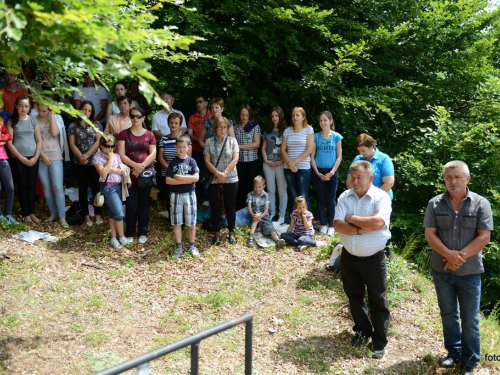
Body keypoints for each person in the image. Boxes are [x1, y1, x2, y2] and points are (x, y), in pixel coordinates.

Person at [423, 161, 493, 375]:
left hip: (469, 272)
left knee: (470, 318)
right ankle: (453, 353)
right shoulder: (435, 203)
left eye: (457, 177)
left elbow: (484, 237)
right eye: (448, 178)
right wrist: (448, 255)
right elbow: (429, 234)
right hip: (441, 271)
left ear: (467, 179)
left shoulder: (481, 204)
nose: (452, 181)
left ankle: (470, 361)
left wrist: (458, 258)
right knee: (448, 314)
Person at [334, 160, 392, 359]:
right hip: (349, 257)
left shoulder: (381, 197)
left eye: (360, 177)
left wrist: (352, 218)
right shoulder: (344, 197)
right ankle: (362, 331)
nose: (355, 181)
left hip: (374, 259)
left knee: (378, 299)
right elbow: (337, 225)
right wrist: (362, 228)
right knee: (354, 297)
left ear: (370, 178)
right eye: (353, 177)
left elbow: (378, 223)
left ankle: (379, 341)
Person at [117, 107, 156, 244]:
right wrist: (135, 166)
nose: (135, 119)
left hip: (145, 174)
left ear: (143, 118)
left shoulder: (150, 135)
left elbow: (153, 154)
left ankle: (143, 232)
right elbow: (121, 154)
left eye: (138, 116)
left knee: (144, 204)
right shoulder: (123, 134)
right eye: (133, 116)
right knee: (131, 204)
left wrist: (141, 167)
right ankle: (130, 232)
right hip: (129, 174)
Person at [6, 95, 42, 223]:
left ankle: (32, 213)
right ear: (16, 106)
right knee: (23, 185)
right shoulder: (12, 121)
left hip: (33, 157)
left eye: (26, 106)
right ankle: (26, 214)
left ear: (29, 107)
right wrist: (20, 157)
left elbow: (39, 140)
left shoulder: (33, 120)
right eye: (21, 106)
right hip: (18, 158)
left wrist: (36, 157)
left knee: (31, 186)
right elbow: (9, 142)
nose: (23, 108)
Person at [203, 116, 239, 245]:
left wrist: (224, 173)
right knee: (216, 207)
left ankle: (231, 232)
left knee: (230, 206)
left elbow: (235, 159)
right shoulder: (209, 142)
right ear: (215, 129)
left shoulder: (232, 141)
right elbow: (207, 160)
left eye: (225, 127)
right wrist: (217, 173)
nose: (222, 130)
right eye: (220, 127)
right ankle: (216, 232)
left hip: (231, 178)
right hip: (214, 179)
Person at [67, 100, 104, 226]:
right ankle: (86, 216)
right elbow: (71, 143)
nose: (86, 112)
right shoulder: (73, 125)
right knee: (82, 189)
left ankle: (98, 214)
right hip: (79, 162)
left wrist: (87, 155)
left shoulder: (97, 124)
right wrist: (81, 157)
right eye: (84, 109)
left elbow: (98, 141)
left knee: (96, 188)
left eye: (89, 110)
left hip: (94, 162)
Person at [93, 136, 133, 249]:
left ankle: (113, 238)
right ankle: (122, 237)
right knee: (119, 213)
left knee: (112, 214)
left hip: (119, 187)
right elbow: (103, 173)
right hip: (108, 188)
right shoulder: (97, 158)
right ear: (101, 145)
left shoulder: (117, 156)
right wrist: (110, 160)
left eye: (112, 146)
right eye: (107, 146)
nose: (110, 149)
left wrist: (111, 169)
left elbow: (123, 171)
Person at [166, 135, 200, 259]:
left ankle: (192, 246)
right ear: (175, 147)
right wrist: (187, 180)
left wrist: (180, 178)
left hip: (189, 194)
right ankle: (179, 246)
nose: (181, 149)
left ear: (188, 147)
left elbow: (196, 178)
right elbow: (168, 181)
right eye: (179, 147)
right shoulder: (173, 162)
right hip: (176, 195)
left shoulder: (191, 161)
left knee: (191, 222)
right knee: (177, 222)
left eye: (184, 147)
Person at [37, 105, 70, 228]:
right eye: (39, 110)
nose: (41, 112)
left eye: (44, 111)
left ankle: (62, 217)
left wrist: (51, 117)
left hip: (56, 155)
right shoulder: (34, 120)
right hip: (40, 156)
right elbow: (34, 141)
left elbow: (55, 132)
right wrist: (42, 156)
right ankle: (53, 213)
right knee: (46, 187)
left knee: (57, 187)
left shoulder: (57, 118)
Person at [311, 111, 342, 236]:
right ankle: (323, 224)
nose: (323, 123)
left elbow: (339, 157)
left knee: (331, 199)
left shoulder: (336, 137)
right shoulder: (316, 136)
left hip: (331, 172)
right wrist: (317, 172)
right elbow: (312, 156)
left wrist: (332, 172)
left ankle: (332, 225)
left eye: (325, 120)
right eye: (321, 120)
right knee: (320, 199)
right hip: (318, 172)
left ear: (330, 121)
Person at [158, 113, 192, 215]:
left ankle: (182, 221)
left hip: (183, 174)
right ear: (168, 124)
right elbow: (160, 157)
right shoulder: (164, 139)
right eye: (171, 123)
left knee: (182, 197)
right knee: (169, 198)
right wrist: (171, 170)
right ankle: (172, 221)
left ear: (180, 124)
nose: (173, 125)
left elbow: (189, 157)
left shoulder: (186, 139)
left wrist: (178, 172)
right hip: (167, 174)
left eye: (176, 123)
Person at [281, 107, 314, 210]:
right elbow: (282, 150)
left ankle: (307, 221)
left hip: (303, 168)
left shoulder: (308, 130)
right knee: (293, 196)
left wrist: (293, 163)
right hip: (288, 168)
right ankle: (294, 220)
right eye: (293, 115)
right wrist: (290, 164)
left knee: (303, 196)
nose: (295, 117)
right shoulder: (287, 130)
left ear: (303, 117)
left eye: (298, 115)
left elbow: (309, 149)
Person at [262, 106, 288, 224]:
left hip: (281, 164)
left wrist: (281, 161)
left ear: (280, 116)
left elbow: (287, 149)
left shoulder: (286, 131)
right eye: (272, 116)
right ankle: (272, 213)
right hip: (268, 164)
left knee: (282, 190)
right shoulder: (267, 131)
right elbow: (263, 148)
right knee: (271, 190)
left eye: (276, 116)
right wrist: (266, 159)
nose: (274, 118)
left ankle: (282, 214)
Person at [234, 104, 261, 209]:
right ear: (239, 115)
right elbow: (233, 143)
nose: (244, 117)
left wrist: (240, 146)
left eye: (246, 115)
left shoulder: (255, 126)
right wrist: (247, 146)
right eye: (242, 115)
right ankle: (241, 207)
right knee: (240, 184)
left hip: (252, 160)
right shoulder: (235, 127)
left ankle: (252, 208)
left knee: (251, 184)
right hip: (239, 160)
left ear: (250, 115)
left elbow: (256, 144)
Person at [246, 175, 285, 248]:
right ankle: (251, 237)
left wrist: (261, 216)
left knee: (269, 226)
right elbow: (249, 207)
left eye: (259, 187)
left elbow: (266, 209)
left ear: (264, 186)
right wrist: (253, 215)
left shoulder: (266, 195)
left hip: (264, 215)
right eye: (256, 187)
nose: (257, 189)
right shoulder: (250, 194)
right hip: (254, 214)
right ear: (253, 186)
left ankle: (277, 240)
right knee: (255, 220)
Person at [188, 95, 212, 207]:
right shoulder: (192, 118)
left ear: (206, 103)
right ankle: (204, 197)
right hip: (197, 150)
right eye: (196, 102)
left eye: (200, 101)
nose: (198, 104)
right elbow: (190, 134)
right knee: (200, 173)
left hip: (211, 151)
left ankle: (211, 197)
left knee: (210, 173)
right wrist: (200, 140)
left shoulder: (212, 115)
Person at [0, 120, 17, 225]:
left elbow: (8, 136)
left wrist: (2, 139)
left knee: (10, 188)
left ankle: (8, 214)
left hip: (3, 159)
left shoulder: (0, 122)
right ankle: (0, 216)